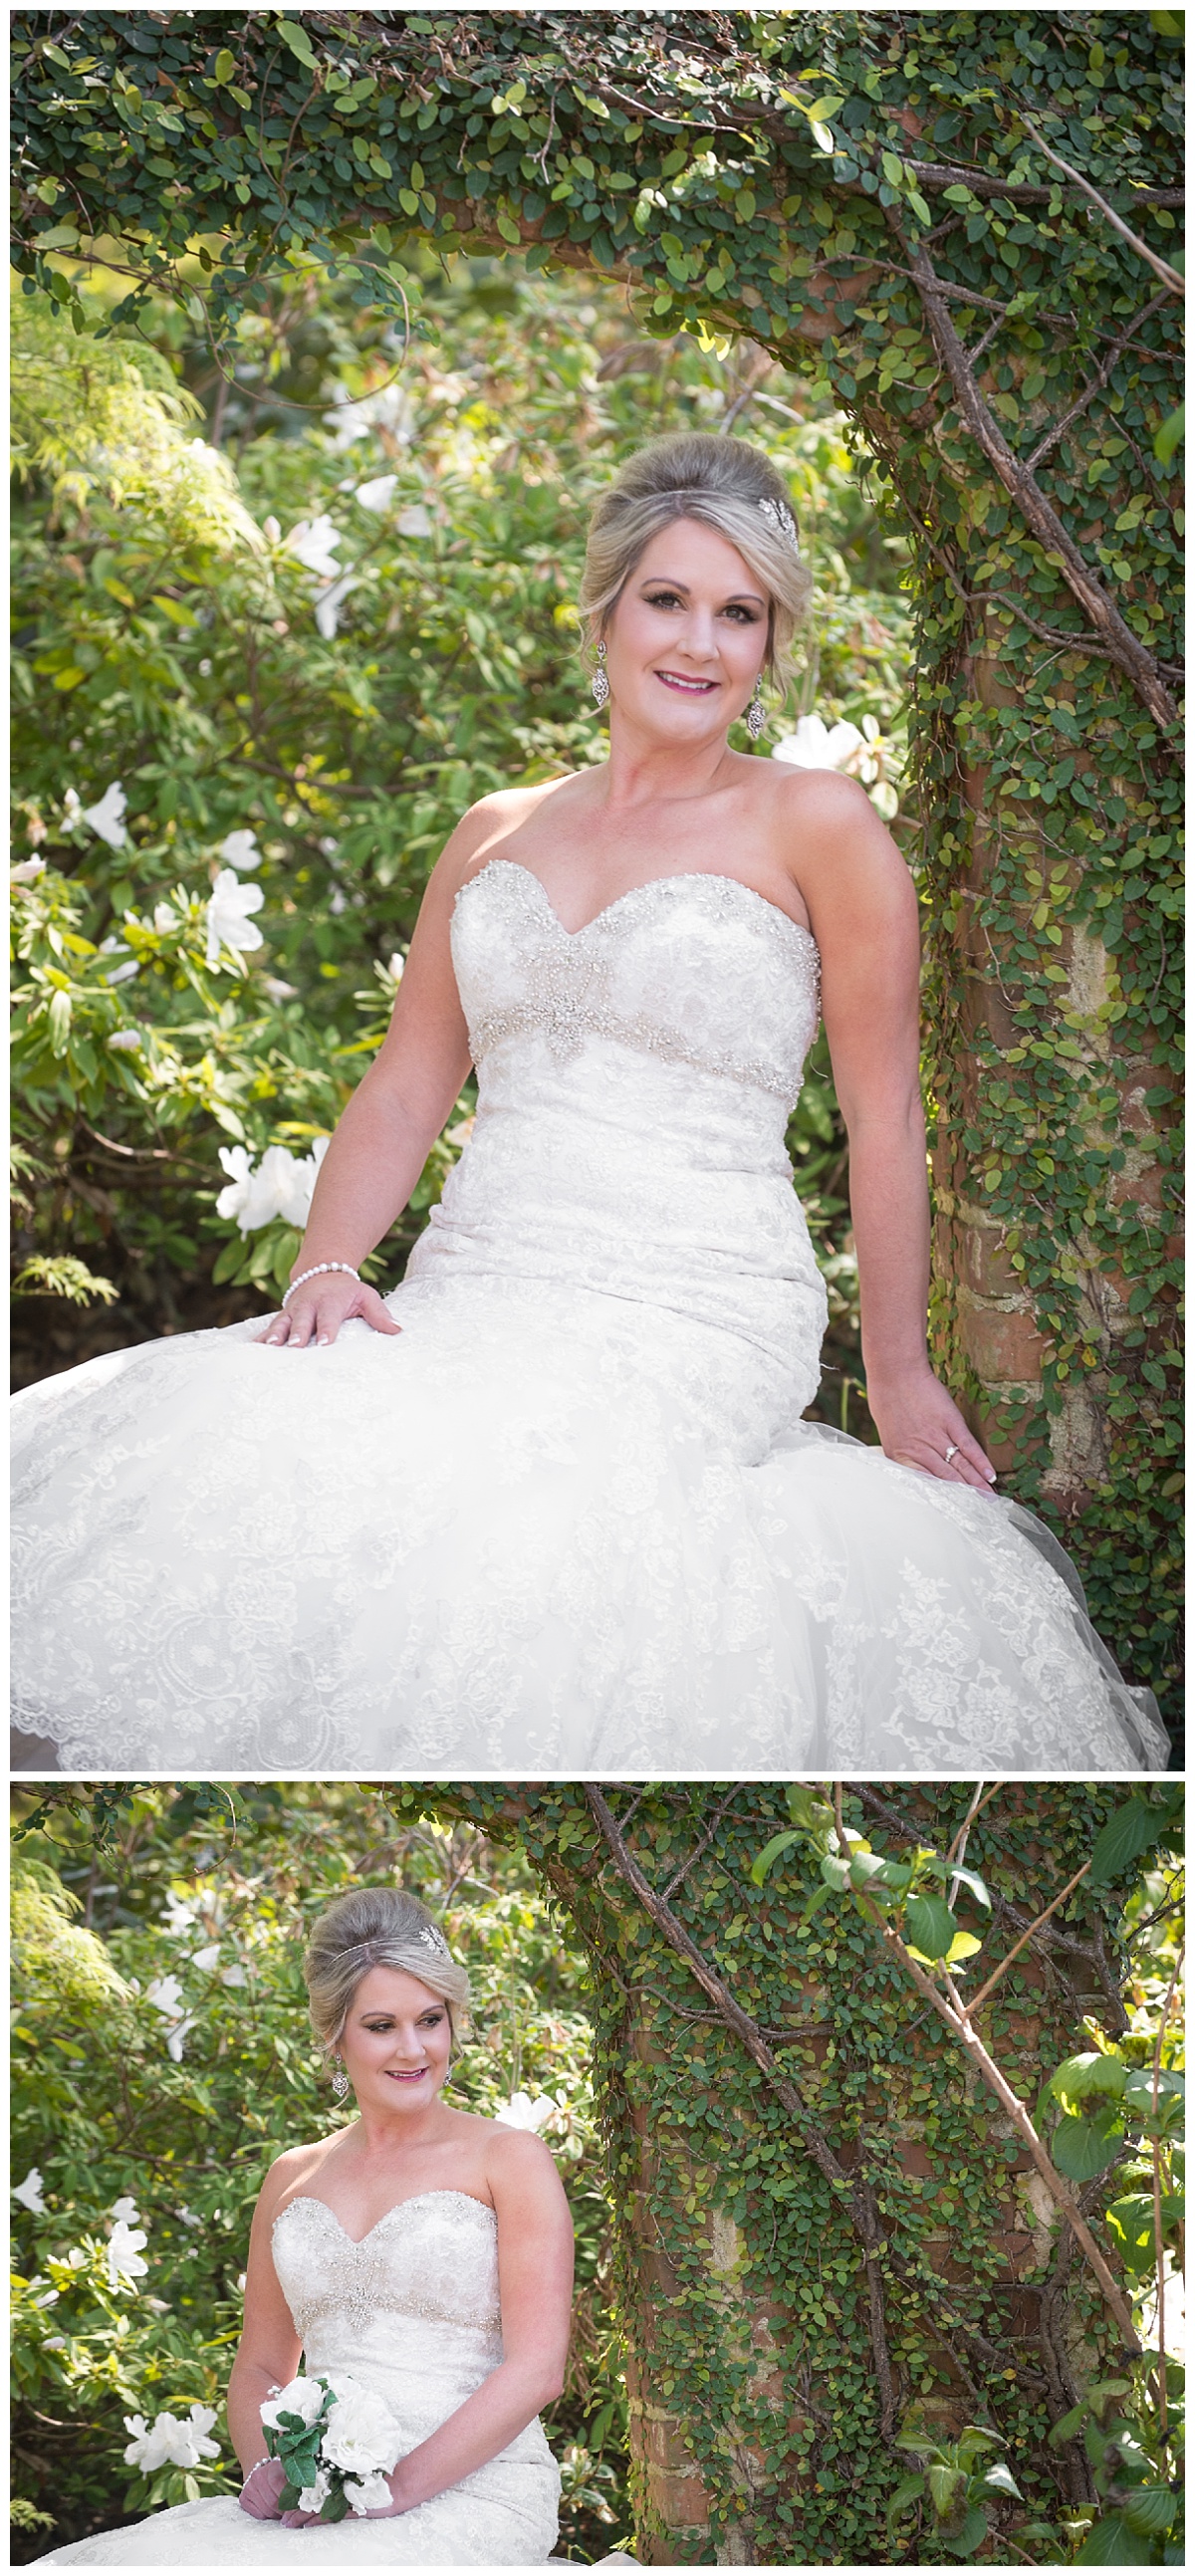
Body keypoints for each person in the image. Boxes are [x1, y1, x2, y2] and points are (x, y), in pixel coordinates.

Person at [10, 433, 1166, 1771]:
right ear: (607, 609)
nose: (701, 643)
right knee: (269, 1444)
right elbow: (405, 1080)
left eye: (741, 614)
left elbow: (884, 1120)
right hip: (476, 1276)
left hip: (693, 1299)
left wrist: (898, 1372)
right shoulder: (499, 826)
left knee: (539, 1515)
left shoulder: (820, 825)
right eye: (670, 599)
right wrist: (329, 1259)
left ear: (771, 641)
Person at [37, 1890, 573, 2566]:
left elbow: (536, 2369)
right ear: (334, 2032)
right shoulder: (292, 2176)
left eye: (430, 2019)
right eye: (381, 2025)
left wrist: (392, 2491)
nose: (414, 2048)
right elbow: (261, 2365)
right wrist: (284, 2475)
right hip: (321, 2500)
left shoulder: (508, 2158)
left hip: (475, 2490)